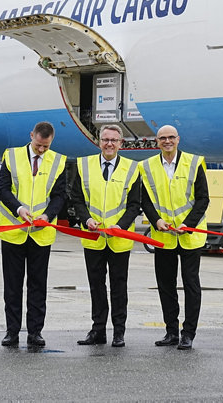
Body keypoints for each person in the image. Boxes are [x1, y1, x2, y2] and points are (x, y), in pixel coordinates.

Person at [0, 121, 68, 347]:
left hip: (41, 233)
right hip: (14, 231)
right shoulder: (11, 156)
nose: (41, 150)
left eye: (46, 147)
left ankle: (35, 331)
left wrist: (47, 215)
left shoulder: (58, 161)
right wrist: (19, 209)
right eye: (38, 145)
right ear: (31, 136)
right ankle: (12, 331)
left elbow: (60, 195)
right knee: (13, 285)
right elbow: (3, 189)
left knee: (38, 285)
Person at [138, 124, 209, 350]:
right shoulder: (146, 166)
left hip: (189, 236)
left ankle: (188, 333)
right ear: (156, 142)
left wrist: (188, 224)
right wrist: (156, 221)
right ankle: (171, 331)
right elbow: (145, 200)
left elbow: (203, 199)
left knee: (191, 285)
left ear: (178, 139)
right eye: (162, 138)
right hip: (164, 235)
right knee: (165, 286)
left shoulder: (195, 163)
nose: (167, 141)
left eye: (171, 137)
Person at [72, 124, 142, 348]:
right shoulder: (84, 165)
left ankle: (118, 332)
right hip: (93, 238)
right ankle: (98, 330)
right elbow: (77, 199)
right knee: (96, 287)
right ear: (98, 142)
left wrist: (121, 225)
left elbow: (134, 205)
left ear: (121, 143)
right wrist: (86, 220)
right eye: (105, 139)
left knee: (118, 287)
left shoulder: (132, 169)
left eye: (114, 140)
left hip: (119, 239)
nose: (109, 144)